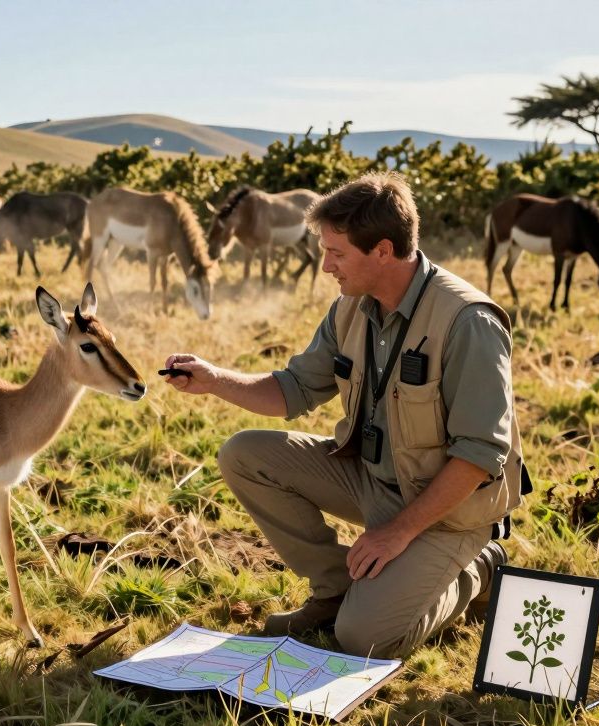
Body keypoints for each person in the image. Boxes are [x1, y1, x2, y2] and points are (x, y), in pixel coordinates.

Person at [164, 172, 525, 659]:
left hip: (449, 514)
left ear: (381, 250)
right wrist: (213, 379)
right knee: (244, 454)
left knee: (364, 639)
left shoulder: (467, 322)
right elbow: (292, 390)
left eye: (336, 253)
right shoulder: (349, 309)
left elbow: (480, 456)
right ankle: (334, 592)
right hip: (372, 483)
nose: (325, 265)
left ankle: (479, 568)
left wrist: (397, 534)